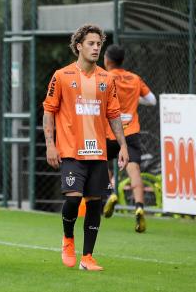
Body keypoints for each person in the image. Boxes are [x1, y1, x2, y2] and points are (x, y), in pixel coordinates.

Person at [42, 24, 128, 271]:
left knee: (94, 203)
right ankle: (68, 238)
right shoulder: (61, 76)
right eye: (90, 43)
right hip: (70, 151)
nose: (96, 48)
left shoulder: (106, 78)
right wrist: (50, 145)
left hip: (98, 152)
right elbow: (49, 111)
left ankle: (87, 257)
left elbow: (114, 115)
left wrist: (122, 146)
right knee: (73, 199)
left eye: (99, 44)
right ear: (79, 46)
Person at [101, 44, 156, 233]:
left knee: (102, 164)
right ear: (122, 60)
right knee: (134, 171)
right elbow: (152, 100)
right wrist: (134, 100)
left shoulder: (105, 77)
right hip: (130, 133)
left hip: (109, 132)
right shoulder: (134, 78)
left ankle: (110, 193)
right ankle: (139, 206)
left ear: (107, 60)